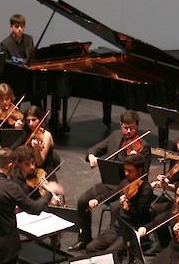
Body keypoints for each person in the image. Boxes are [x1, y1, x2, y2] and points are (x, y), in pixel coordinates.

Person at [71, 110, 151, 250]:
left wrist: (135, 158)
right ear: (120, 126)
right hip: (109, 184)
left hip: (127, 189)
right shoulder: (115, 136)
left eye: (131, 128)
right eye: (125, 127)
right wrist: (91, 156)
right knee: (82, 200)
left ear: (137, 126)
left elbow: (143, 173)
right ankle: (84, 238)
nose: (128, 131)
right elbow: (94, 149)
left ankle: (113, 247)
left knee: (116, 208)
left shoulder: (143, 147)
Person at [11, 145, 65, 264]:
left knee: (55, 236)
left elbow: (58, 192)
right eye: (27, 164)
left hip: (42, 212)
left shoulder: (42, 174)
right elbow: (27, 206)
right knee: (22, 240)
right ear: (19, 164)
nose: (32, 167)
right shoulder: (14, 180)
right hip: (24, 215)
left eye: (33, 163)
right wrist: (48, 194)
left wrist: (55, 194)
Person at [84, 154, 154, 255]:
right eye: (125, 170)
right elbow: (113, 194)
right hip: (118, 227)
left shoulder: (146, 190)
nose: (126, 173)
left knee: (110, 254)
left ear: (140, 170)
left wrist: (128, 207)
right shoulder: (126, 182)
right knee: (91, 248)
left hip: (131, 230)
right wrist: (98, 200)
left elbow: (140, 214)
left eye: (130, 171)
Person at [21, 105, 60, 175]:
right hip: (28, 172)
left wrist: (37, 149)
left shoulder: (46, 135)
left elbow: (39, 163)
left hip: (44, 173)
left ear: (40, 119)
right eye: (28, 121)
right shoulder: (26, 133)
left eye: (34, 120)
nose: (31, 124)